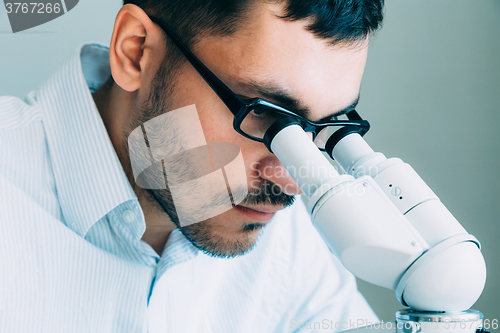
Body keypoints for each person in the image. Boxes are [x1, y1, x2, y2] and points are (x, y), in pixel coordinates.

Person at [0, 0, 385, 331]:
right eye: (262, 113)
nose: (290, 181)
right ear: (135, 52)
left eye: (325, 129)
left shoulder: (286, 239)